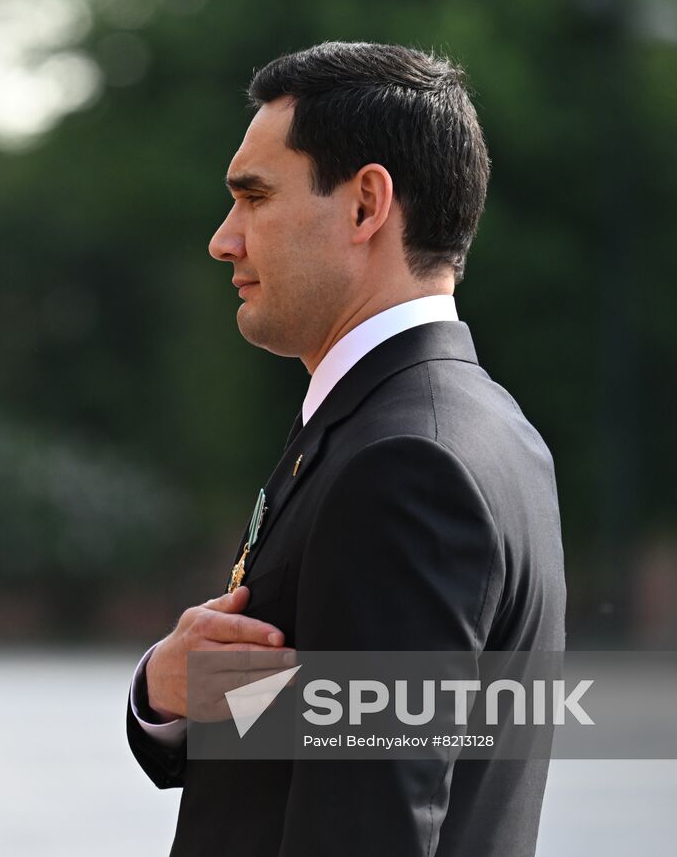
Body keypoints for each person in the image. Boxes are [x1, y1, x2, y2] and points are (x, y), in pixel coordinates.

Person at [126, 43, 567, 855]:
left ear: (367, 206)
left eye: (254, 198)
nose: (225, 240)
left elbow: (372, 822)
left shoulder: (404, 463)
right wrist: (165, 688)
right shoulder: (472, 427)